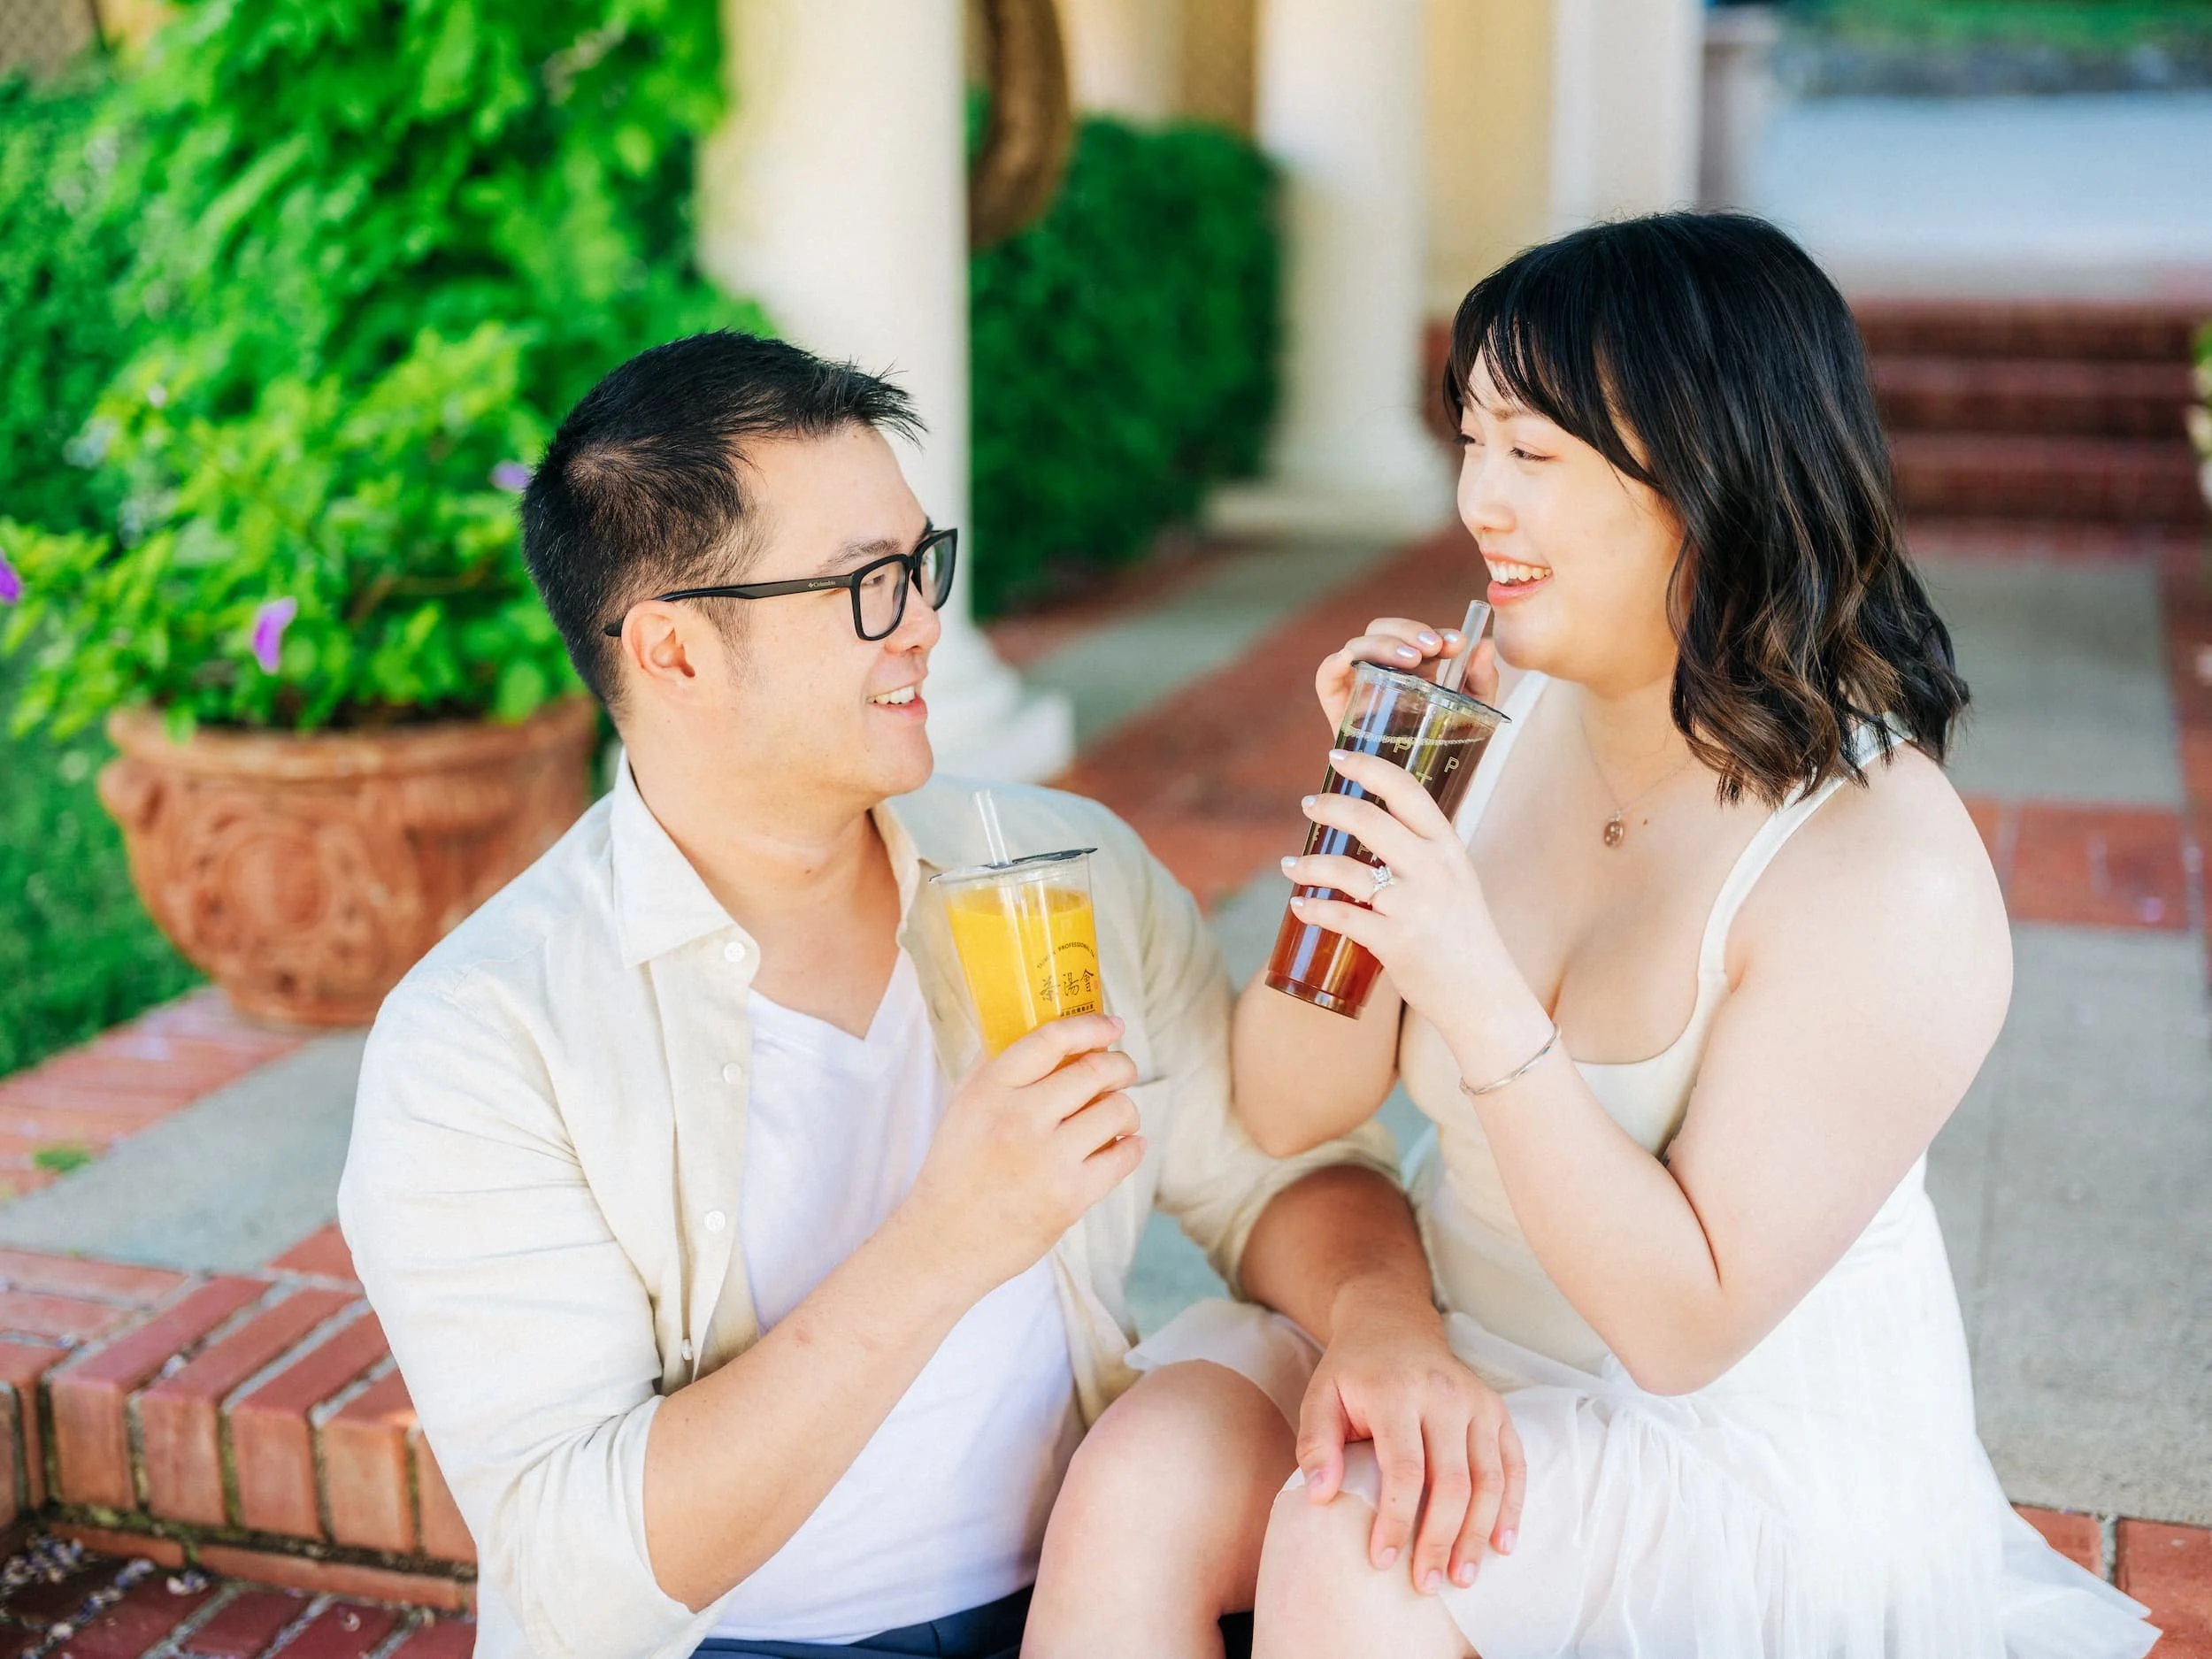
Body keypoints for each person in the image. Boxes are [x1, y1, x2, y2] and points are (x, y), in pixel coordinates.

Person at [1033, 214, 2161, 1657]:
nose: (1479, 501)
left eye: (1535, 456)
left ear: (1706, 473)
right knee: (1147, 1468)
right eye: (1474, 440)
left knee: (1360, 1529)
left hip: (1726, 1442)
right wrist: (1361, 834)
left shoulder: (1886, 866)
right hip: (1464, 1346)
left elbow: (1682, 1324)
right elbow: (1289, 1100)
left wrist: (1474, 982)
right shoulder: (1488, 715)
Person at [338, 331, 1495, 1659]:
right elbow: (583, 1560)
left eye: (919, 562)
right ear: (671, 655)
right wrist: (949, 1239)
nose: (928, 621)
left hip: (1085, 1598)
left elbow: (1277, 1174)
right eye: (865, 586)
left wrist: (1386, 1322)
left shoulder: (1062, 872)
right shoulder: (484, 1034)